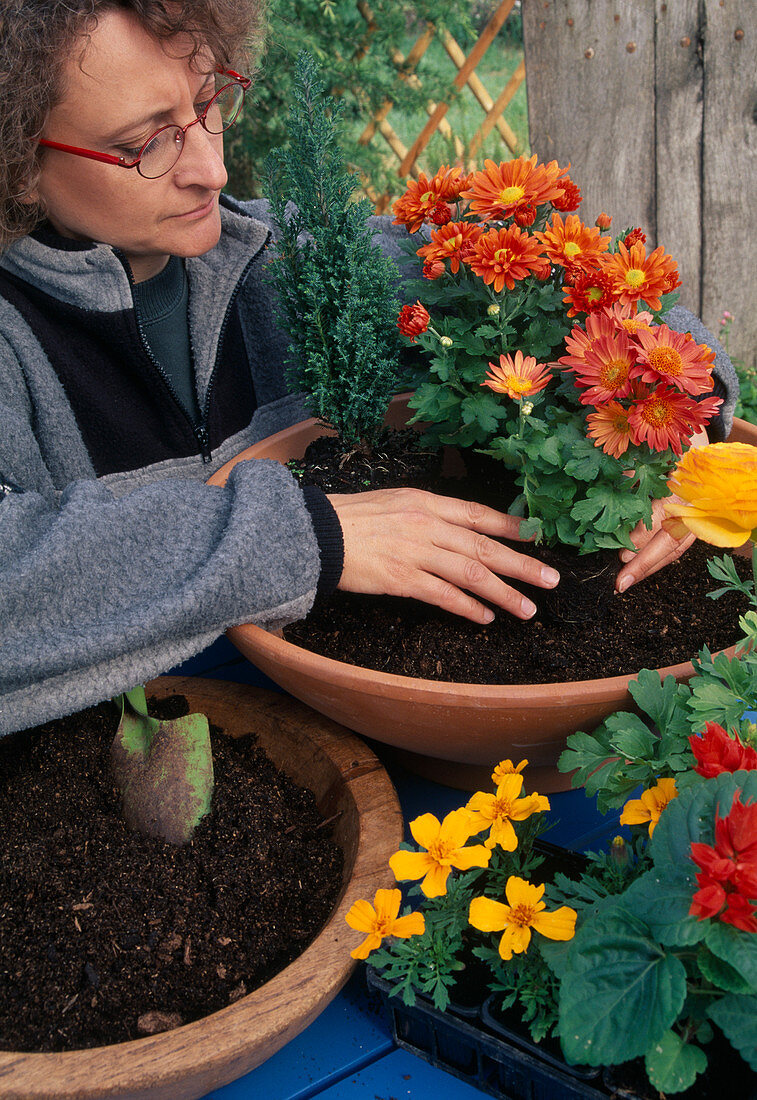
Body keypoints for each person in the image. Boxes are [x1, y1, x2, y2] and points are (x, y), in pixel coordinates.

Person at [0, 1, 738, 736]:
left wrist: (679, 413)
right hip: (120, 762)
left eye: (205, 103)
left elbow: (583, 287)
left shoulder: (300, 262)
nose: (209, 167)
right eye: (145, 143)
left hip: (362, 728)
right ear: (22, 166)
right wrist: (310, 535)